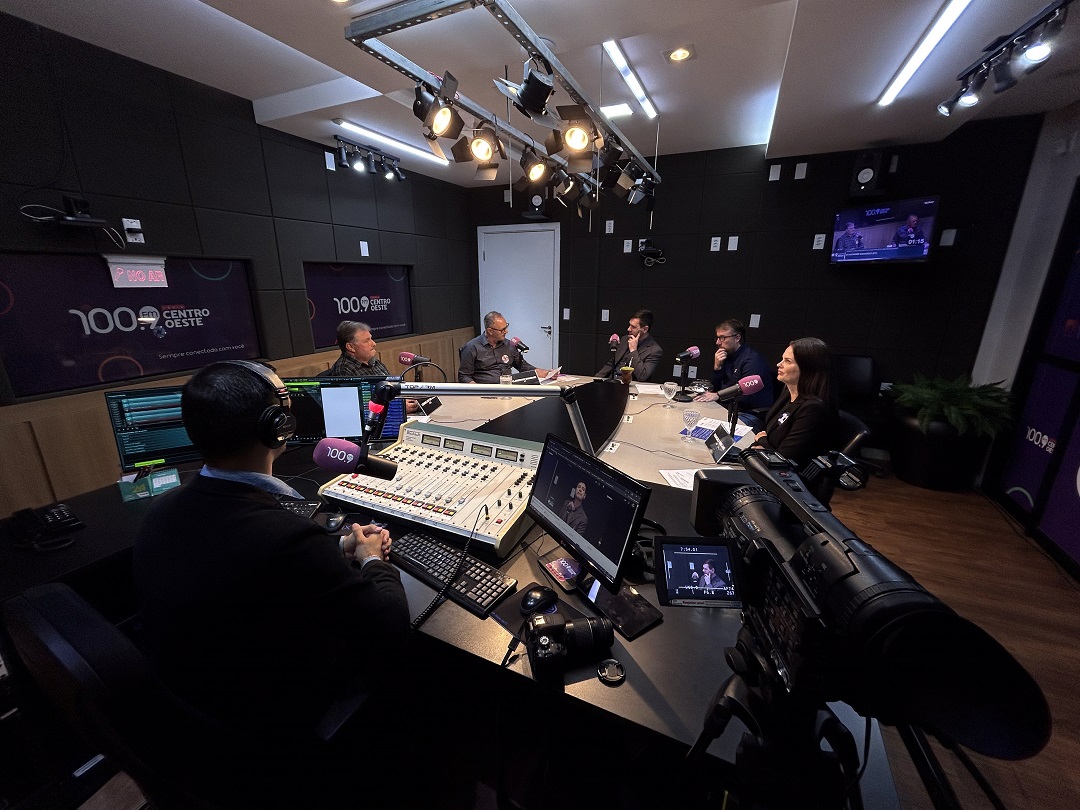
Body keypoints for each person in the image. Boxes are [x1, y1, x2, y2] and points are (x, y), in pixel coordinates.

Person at [752, 337, 836, 468]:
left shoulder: (813, 409)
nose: (779, 364)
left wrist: (763, 440)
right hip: (764, 462)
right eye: (782, 359)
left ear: (808, 368)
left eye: (788, 361)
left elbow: (784, 457)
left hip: (785, 477)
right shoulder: (788, 393)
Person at [693, 319, 774, 415]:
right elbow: (715, 389)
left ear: (737, 338)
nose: (718, 342)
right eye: (717, 338)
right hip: (728, 407)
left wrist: (719, 396)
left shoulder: (752, 361)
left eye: (722, 337)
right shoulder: (726, 355)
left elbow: (747, 398)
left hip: (749, 413)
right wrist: (717, 367)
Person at [458, 311, 546, 383]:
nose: (506, 331)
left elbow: (522, 366)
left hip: (509, 388)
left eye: (506, 327)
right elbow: (464, 376)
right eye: (502, 330)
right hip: (486, 392)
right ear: (490, 331)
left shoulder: (509, 345)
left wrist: (542, 372)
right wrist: (476, 389)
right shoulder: (472, 347)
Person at [595, 309, 664, 382]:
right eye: (629, 325)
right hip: (612, 382)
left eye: (633, 327)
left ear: (645, 329)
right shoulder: (625, 339)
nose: (628, 329)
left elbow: (642, 376)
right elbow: (613, 363)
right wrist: (596, 379)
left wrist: (633, 351)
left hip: (629, 386)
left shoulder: (654, 350)